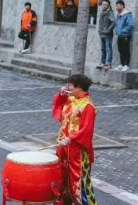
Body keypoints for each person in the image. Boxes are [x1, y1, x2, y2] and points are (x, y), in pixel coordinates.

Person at [52, 74, 98, 205]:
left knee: (79, 184)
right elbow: (59, 108)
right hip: (63, 148)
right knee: (62, 180)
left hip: (78, 152)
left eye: (71, 85)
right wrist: (61, 95)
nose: (68, 87)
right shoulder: (71, 100)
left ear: (79, 88)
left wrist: (70, 138)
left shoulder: (88, 106)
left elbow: (86, 130)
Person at [114, 0, 134, 72]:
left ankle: (126, 65)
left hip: (125, 36)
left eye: (118, 6)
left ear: (122, 6)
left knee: (126, 50)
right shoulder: (118, 15)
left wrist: (122, 32)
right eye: (116, 6)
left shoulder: (127, 14)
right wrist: (117, 31)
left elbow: (130, 25)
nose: (117, 7)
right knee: (121, 50)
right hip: (120, 36)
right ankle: (122, 64)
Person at [96, 0, 115, 71]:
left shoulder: (109, 12)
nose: (103, 6)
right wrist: (100, 31)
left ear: (108, 5)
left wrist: (108, 30)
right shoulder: (102, 12)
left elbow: (114, 22)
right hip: (102, 34)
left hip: (107, 35)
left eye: (105, 4)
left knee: (108, 49)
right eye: (103, 4)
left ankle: (108, 63)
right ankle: (102, 62)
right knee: (103, 49)